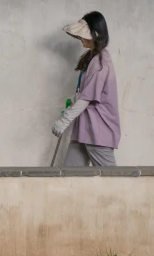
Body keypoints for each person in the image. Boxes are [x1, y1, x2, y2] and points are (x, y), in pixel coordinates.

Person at [51, 11, 121, 167]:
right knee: (70, 178)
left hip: (98, 131)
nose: (81, 38)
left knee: (113, 181)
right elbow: (85, 94)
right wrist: (73, 102)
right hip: (84, 129)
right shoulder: (93, 58)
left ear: (95, 34)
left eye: (84, 34)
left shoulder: (101, 62)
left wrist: (64, 121)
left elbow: (87, 98)